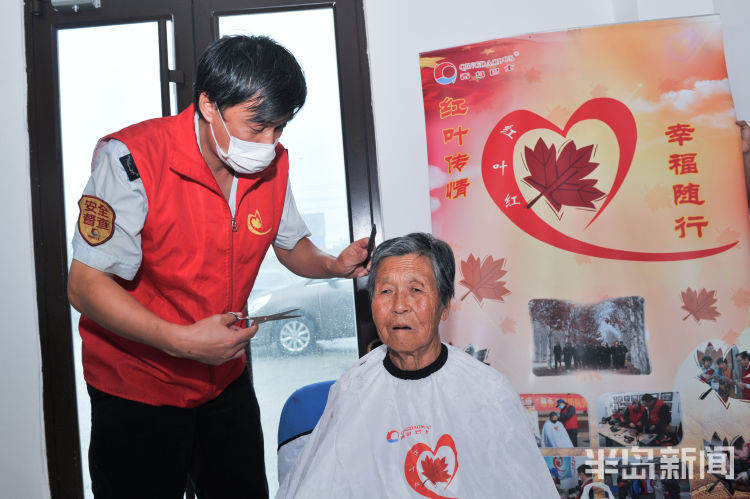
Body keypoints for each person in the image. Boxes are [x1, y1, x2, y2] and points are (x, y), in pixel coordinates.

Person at [67, 35, 371, 498]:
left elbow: (290, 245)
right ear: (209, 103)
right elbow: (85, 284)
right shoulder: (132, 161)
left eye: (280, 128)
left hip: (223, 379)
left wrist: (332, 263)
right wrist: (180, 341)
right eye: (257, 127)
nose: (269, 143)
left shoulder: (271, 165)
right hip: (137, 385)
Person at [276, 233, 558, 498]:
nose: (399, 305)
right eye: (386, 291)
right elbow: (320, 484)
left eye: (415, 289)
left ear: (445, 305)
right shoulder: (354, 386)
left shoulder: (489, 391)